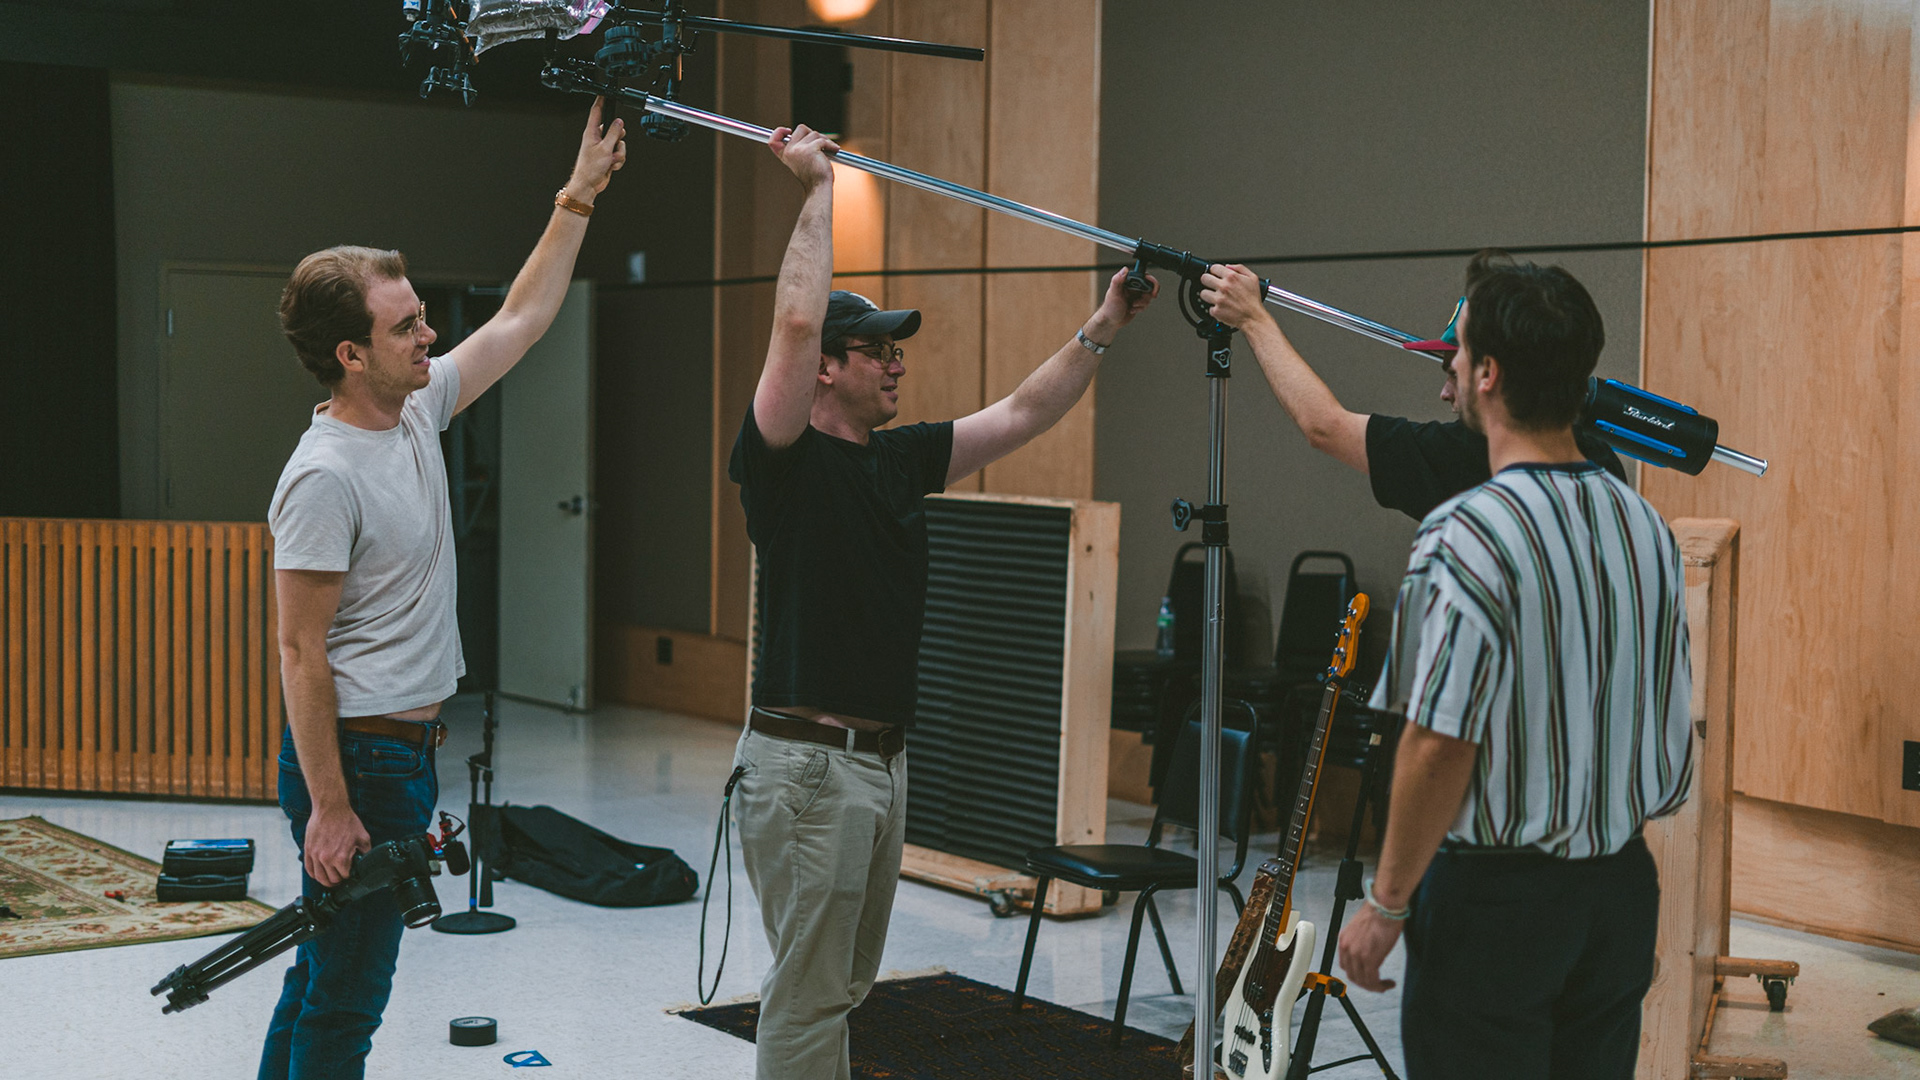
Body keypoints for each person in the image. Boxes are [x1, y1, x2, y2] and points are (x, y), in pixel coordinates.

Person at [726, 123, 1158, 1080]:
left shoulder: (900, 458)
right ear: (827, 368)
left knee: (842, 987)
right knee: (808, 995)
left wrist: (1104, 324)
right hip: (807, 769)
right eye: (875, 350)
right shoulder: (783, 459)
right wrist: (816, 190)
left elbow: (1024, 412)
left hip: (879, 764)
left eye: (897, 350)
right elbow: (793, 324)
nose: (896, 363)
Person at [259, 99, 625, 1080]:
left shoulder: (418, 410)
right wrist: (332, 807)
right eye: (407, 324)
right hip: (358, 762)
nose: (430, 332)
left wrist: (578, 194)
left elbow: (523, 318)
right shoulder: (323, 476)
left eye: (421, 315)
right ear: (350, 355)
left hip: (402, 755)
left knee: (320, 976)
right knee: (348, 999)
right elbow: (299, 650)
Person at [1330, 252, 1693, 1079]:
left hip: (1497, 905)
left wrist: (1387, 903)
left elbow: (1436, 742)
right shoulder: (1644, 525)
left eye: (1459, 353)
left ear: (1488, 373)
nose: (1451, 370)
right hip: (1621, 890)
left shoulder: (1465, 536)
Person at [1196, 261, 1627, 520]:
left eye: (1454, 367)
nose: (1444, 392)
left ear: (1488, 374)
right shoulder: (1619, 492)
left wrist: (1253, 319)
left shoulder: (1465, 518)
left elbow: (1324, 426)